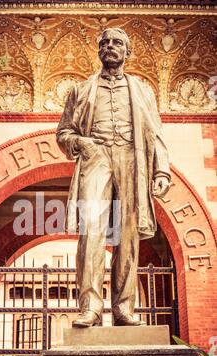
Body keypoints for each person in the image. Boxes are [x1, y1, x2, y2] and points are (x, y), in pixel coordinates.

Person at [56, 28, 171, 327]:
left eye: (117, 42)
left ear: (127, 52)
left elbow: (155, 133)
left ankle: (124, 309)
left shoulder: (143, 90)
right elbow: (64, 133)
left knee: (128, 236)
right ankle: (90, 307)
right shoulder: (80, 90)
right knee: (91, 231)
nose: (110, 46)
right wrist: (80, 143)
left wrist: (161, 170)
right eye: (104, 42)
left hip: (133, 159)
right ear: (99, 51)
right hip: (96, 158)